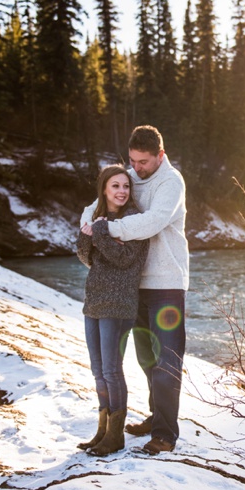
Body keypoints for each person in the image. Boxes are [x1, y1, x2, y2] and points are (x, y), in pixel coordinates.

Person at [80, 125, 189, 455]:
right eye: (132, 161)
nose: (136, 169)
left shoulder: (171, 182)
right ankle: (156, 416)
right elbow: (95, 205)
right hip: (133, 284)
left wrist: (106, 229)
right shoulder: (129, 176)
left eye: (143, 162)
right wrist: (90, 223)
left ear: (160, 155)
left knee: (167, 360)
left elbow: (152, 222)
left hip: (166, 283)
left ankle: (165, 434)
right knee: (147, 358)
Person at [76, 164, 149, 456]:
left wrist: (101, 233)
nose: (121, 191)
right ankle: (103, 430)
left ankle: (115, 436)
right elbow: (87, 259)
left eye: (126, 186)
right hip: (94, 301)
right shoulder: (99, 218)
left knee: (111, 370)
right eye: (115, 186)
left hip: (119, 305)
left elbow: (123, 258)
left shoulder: (134, 220)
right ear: (104, 189)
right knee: (97, 371)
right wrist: (87, 236)